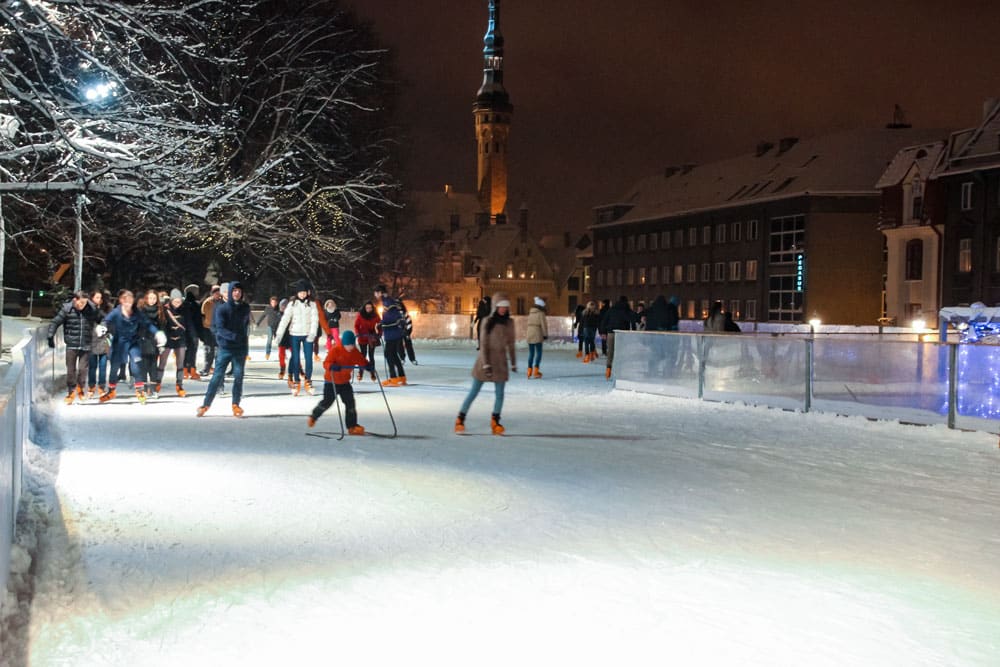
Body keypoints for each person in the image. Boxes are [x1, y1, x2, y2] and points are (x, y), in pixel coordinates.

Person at [455, 292, 517, 435]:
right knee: (474, 392)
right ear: (495, 307)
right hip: (485, 360)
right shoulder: (487, 321)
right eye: (501, 307)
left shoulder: (509, 323)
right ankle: (460, 419)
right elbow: (483, 344)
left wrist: (513, 362)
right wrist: (486, 364)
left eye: (505, 307)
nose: (503, 309)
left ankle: (495, 421)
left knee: (500, 394)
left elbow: (511, 344)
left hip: (500, 362)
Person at [100, 289, 165, 403]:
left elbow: (147, 323)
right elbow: (106, 320)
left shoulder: (136, 312)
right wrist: (103, 327)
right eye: (126, 302)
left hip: (133, 342)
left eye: (131, 302)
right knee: (115, 367)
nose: (129, 305)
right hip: (119, 342)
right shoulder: (116, 312)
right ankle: (111, 390)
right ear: (122, 302)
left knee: (136, 365)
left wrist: (157, 333)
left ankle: (140, 391)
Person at [197, 281, 251, 417]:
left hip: (240, 348)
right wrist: (232, 337)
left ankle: (236, 404)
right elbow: (219, 329)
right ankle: (206, 404)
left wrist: (244, 344)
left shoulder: (245, 307)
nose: (236, 293)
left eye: (239, 291)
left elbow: (245, 328)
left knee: (239, 376)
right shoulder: (222, 308)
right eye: (234, 291)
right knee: (217, 376)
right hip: (226, 347)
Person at [307, 330, 373, 434]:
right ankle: (314, 416)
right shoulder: (336, 350)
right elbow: (326, 363)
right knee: (327, 402)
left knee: (350, 403)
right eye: (348, 345)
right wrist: (332, 366)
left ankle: (352, 426)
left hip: (345, 382)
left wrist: (367, 366)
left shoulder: (355, 352)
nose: (350, 347)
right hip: (331, 381)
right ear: (344, 344)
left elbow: (361, 361)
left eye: (352, 345)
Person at [47, 290, 101, 404]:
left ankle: (80, 388)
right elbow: (55, 322)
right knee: (71, 370)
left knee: (83, 370)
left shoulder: (91, 309)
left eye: (85, 303)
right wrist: (50, 335)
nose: (82, 306)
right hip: (71, 344)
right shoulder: (67, 309)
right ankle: (71, 392)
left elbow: (103, 319)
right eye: (80, 303)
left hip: (86, 344)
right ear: (74, 300)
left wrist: (104, 327)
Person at [273, 279, 319, 395]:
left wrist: (312, 333)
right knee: (296, 358)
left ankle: (308, 380)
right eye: (300, 292)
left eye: (304, 292)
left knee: (309, 359)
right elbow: (285, 320)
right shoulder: (292, 304)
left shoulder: (312, 304)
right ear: (297, 293)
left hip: (307, 335)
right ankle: (297, 381)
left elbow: (315, 320)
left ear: (308, 292)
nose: (302, 294)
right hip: (294, 334)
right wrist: (279, 334)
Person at [157, 289, 194, 397]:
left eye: (179, 301)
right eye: (175, 301)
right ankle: (157, 383)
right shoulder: (165, 309)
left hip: (180, 338)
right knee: (162, 362)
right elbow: (162, 324)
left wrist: (192, 337)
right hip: (168, 339)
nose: (178, 304)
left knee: (180, 363)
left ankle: (179, 385)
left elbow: (189, 324)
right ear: (171, 300)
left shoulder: (185, 309)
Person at [374, 284, 406, 386]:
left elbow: (392, 317)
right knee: (393, 354)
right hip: (393, 332)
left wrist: (382, 323)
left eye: (376, 292)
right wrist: (382, 323)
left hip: (392, 333)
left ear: (380, 292)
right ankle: (401, 376)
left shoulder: (388, 301)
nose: (375, 295)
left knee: (388, 354)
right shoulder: (387, 300)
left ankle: (393, 378)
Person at [602, 295, 638, 380]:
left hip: (611, 332)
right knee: (621, 352)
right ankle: (620, 370)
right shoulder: (626, 310)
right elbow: (633, 318)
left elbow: (605, 320)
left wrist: (603, 331)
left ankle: (608, 370)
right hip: (622, 333)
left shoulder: (612, 309)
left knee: (610, 352)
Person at [86, 289, 112, 399]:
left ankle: (101, 387)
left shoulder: (105, 309)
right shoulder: (87, 309)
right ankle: (91, 387)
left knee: (103, 366)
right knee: (92, 366)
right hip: (92, 341)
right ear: (92, 298)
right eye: (97, 297)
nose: (99, 300)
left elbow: (108, 320)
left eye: (100, 298)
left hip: (103, 340)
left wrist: (104, 326)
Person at [138, 289, 164, 396]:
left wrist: (162, 339)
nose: (152, 300)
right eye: (150, 298)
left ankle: (153, 389)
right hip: (143, 339)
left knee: (153, 365)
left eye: (154, 298)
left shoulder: (160, 310)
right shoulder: (141, 310)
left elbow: (162, 325)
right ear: (146, 298)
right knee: (144, 365)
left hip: (155, 340)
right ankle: (143, 388)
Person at [353, 300, 381, 382]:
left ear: (372, 308)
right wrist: (357, 333)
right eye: (367, 308)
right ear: (364, 308)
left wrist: (379, 334)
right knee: (363, 355)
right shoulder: (360, 315)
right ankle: (360, 372)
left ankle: (372, 372)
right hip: (362, 337)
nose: (368, 309)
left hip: (371, 337)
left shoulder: (375, 315)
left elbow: (380, 325)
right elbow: (356, 325)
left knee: (371, 355)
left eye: (370, 308)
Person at [199, 284, 222, 376]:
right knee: (208, 350)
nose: (217, 295)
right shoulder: (207, 302)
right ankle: (207, 368)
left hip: (219, 329)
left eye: (218, 293)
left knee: (218, 351)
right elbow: (202, 315)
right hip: (208, 329)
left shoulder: (222, 303)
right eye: (215, 293)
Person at [181, 284, 203, 380]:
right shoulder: (196, 305)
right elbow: (198, 320)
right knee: (193, 351)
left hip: (185, 331)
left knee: (186, 351)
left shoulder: (183, 305)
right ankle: (192, 370)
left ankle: (185, 370)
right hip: (194, 332)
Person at [525, 296, 548, 378]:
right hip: (537, 333)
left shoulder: (531, 312)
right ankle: (536, 371)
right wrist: (545, 335)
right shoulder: (541, 313)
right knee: (539, 352)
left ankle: (529, 371)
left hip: (529, 333)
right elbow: (543, 325)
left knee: (531, 353)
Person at [257, 295, 280, 360]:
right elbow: (263, 315)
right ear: (270, 302)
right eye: (272, 302)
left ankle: (281, 353)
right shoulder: (268, 308)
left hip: (278, 327)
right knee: (269, 340)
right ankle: (267, 353)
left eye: (275, 302)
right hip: (270, 327)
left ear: (277, 302)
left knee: (279, 341)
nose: (273, 304)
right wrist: (258, 322)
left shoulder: (279, 308)